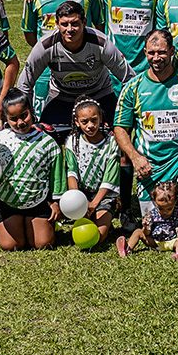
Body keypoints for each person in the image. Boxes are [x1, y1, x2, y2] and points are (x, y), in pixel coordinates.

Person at [14, 2, 135, 132]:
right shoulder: (45, 46)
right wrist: (28, 117)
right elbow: (24, 84)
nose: (69, 29)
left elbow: (129, 78)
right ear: (57, 24)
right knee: (44, 135)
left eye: (75, 23)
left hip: (99, 95)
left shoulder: (101, 43)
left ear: (84, 22)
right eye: (64, 24)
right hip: (62, 97)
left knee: (118, 132)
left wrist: (126, 114)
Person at [22, 0, 100, 110]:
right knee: (46, 124)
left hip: (84, 70)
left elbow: (99, 27)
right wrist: (47, 54)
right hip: (47, 71)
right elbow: (29, 33)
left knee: (88, 123)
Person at [114, 29, 178, 197]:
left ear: (172, 51)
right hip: (150, 167)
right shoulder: (133, 87)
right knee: (152, 220)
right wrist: (135, 158)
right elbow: (120, 128)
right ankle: (127, 210)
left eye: (162, 52)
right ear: (145, 52)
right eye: (151, 53)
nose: (156, 58)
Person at [0, 90, 63, 252]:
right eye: (13, 119)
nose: (20, 122)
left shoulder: (47, 143)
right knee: (11, 245)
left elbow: (57, 176)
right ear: (6, 119)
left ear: (31, 112)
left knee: (43, 244)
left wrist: (55, 202)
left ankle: (39, 224)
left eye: (24, 115)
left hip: (38, 202)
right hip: (6, 202)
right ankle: (15, 222)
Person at [62, 97, 122, 250]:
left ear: (100, 118)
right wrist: (77, 201)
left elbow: (110, 178)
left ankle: (108, 215)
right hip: (82, 196)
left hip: (103, 197)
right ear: (77, 122)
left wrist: (94, 204)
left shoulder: (112, 143)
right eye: (85, 122)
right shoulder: (72, 142)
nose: (90, 126)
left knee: (99, 236)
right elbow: (72, 173)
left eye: (94, 120)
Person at [122, 179, 178, 261]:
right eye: (161, 208)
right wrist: (146, 228)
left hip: (172, 241)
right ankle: (127, 249)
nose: (165, 211)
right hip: (154, 242)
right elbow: (146, 233)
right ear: (154, 202)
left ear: (175, 201)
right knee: (138, 232)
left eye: (169, 208)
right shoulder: (151, 214)